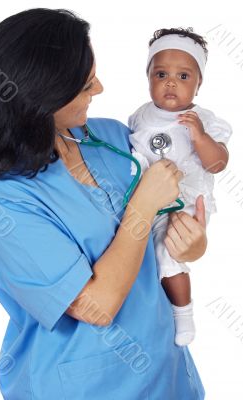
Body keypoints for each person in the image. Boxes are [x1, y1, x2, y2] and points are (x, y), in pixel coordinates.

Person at [0, 9, 207, 399]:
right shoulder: (9, 201)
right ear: (41, 96)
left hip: (166, 373)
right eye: (85, 85)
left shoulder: (115, 137)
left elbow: (168, 235)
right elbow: (95, 307)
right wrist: (142, 206)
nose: (99, 89)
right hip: (83, 386)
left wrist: (192, 243)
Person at [128, 27, 232, 346]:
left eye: (184, 76)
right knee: (141, 253)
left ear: (199, 85)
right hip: (149, 201)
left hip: (187, 204)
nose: (171, 82)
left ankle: (182, 312)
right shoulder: (138, 118)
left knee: (169, 251)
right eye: (161, 73)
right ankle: (151, 309)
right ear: (148, 78)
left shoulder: (203, 119)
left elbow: (217, 163)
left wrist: (200, 137)